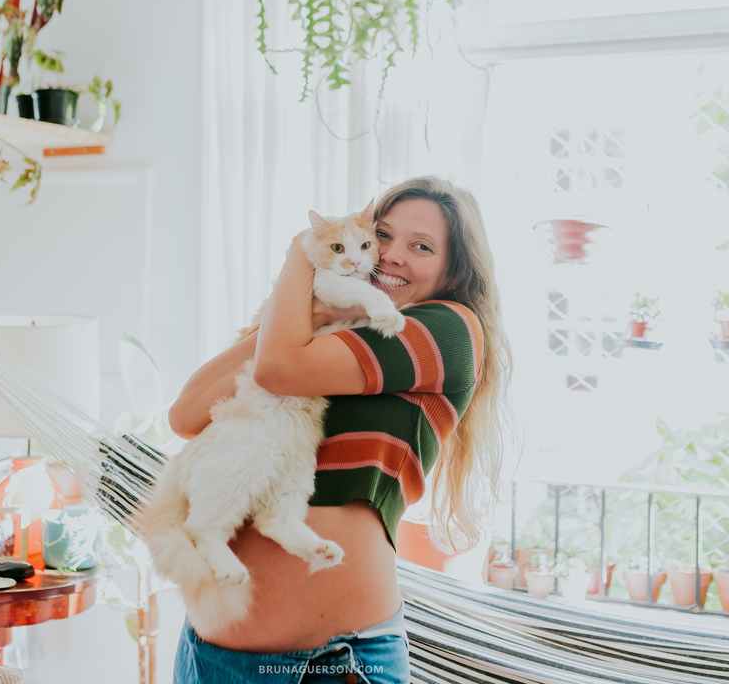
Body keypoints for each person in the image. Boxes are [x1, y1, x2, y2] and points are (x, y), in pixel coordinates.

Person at [168, 177, 511, 684]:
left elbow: (277, 369)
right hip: (210, 654)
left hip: (337, 663)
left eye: (421, 247)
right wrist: (321, 308)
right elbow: (186, 414)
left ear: (454, 269)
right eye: (384, 235)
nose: (390, 256)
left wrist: (297, 258)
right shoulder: (313, 328)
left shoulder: (447, 328)